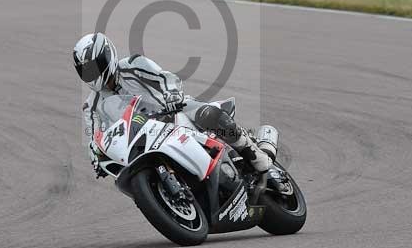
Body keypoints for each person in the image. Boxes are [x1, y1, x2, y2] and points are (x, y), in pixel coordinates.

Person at [72, 32, 274, 178]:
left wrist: (171, 95)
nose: (92, 74)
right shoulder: (91, 106)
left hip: (173, 112)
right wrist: (96, 157)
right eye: (85, 70)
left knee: (209, 115)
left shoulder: (133, 65)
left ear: (107, 56)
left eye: (94, 67)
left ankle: (258, 157)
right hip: (142, 138)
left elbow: (165, 78)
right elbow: (94, 137)